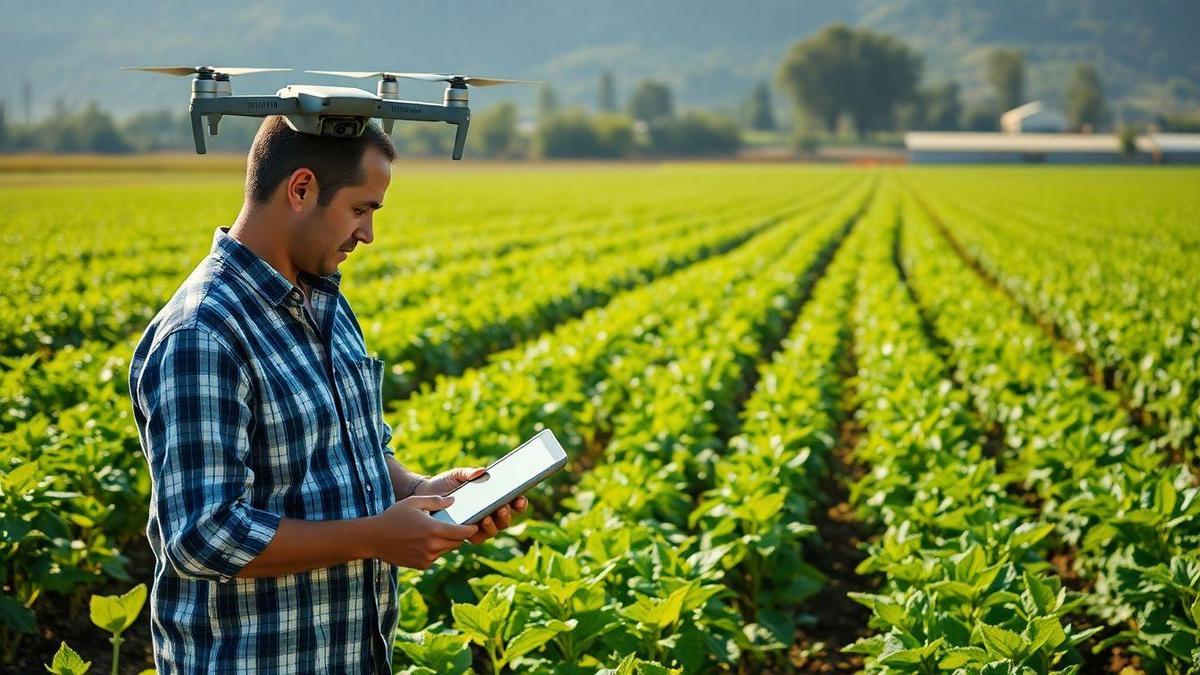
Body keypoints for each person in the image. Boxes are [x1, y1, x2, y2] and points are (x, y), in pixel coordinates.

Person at [127, 114, 527, 673]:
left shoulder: (326, 304)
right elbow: (204, 535)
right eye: (361, 209)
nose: (368, 234)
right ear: (301, 189)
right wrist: (375, 538)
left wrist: (426, 491)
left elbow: (352, 455)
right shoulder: (204, 333)